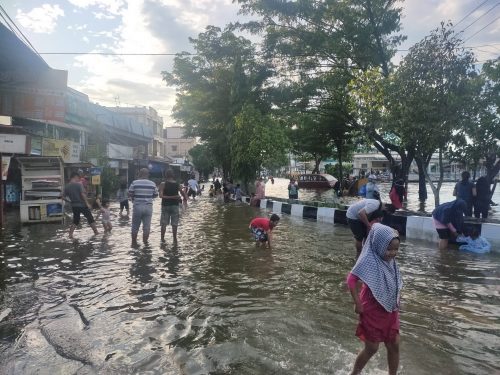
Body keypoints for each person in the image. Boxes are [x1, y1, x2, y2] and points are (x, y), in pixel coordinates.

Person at [347, 223, 402, 375]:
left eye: (396, 249)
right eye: (389, 248)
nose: (392, 253)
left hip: (390, 310)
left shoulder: (391, 263)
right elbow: (351, 280)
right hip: (371, 310)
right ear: (379, 245)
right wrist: (357, 303)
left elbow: (395, 284)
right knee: (372, 348)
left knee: (394, 344)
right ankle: (354, 373)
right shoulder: (368, 261)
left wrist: (398, 302)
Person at [128, 168, 158, 245]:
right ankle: (145, 244)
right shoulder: (152, 183)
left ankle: (134, 244)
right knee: (146, 227)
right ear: (147, 174)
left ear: (139, 174)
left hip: (137, 206)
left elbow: (130, 194)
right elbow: (155, 195)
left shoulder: (134, 183)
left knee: (135, 226)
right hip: (148, 207)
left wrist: (134, 197)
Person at [64, 171, 99, 238]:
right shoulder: (79, 185)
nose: (78, 180)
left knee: (76, 220)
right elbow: (83, 195)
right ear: (75, 177)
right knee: (90, 218)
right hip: (82, 205)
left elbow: (62, 197)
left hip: (74, 206)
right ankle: (96, 233)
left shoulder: (67, 186)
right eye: (78, 178)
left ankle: (70, 235)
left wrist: (70, 201)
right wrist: (87, 203)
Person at [159, 169, 182, 243]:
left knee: (164, 223)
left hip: (165, 206)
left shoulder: (163, 184)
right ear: (173, 175)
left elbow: (161, 196)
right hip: (175, 206)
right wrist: (175, 197)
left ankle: (162, 239)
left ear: (166, 175)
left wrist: (170, 197)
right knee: (175, 224)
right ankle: (175, 239)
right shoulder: (178, 184)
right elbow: (183, 194)